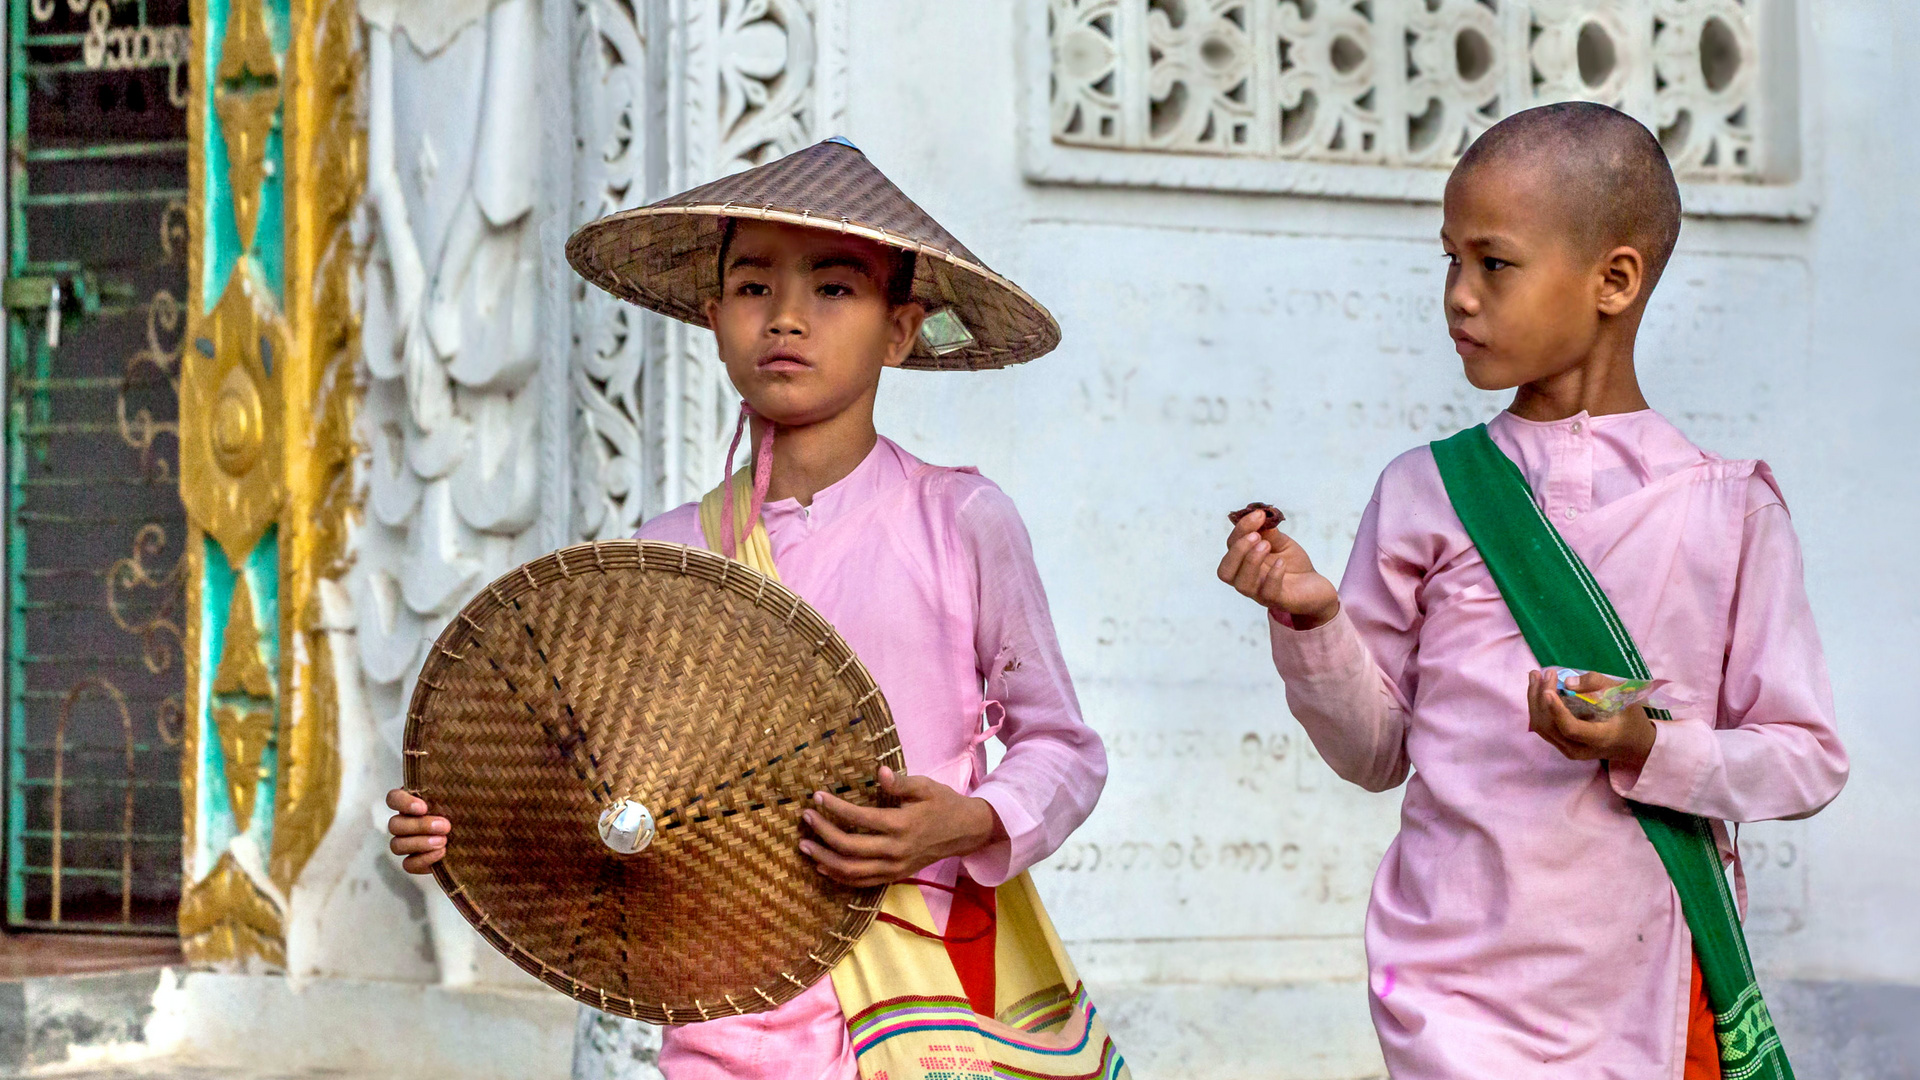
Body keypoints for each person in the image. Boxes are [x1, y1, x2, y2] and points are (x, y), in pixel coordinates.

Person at [385, 137, 1122, 1080]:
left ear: (901, 331)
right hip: (719, 1005)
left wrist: (970, 821)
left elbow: (1064, 749)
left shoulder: (963, 522)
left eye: (834, 289)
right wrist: (468, 826)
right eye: (752, 287)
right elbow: (601, 778)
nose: (785, 318)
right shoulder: (665, 554)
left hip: (920, 995)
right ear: (712, 314)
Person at [1217, 102, 1848, 1079]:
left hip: (1644, 990)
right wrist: (1313, 622)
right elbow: (1376, 751)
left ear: (1615, 279)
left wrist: (1648, 744)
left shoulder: (1727, 510)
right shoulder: (1425, 491)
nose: (1458, 297)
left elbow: (1805, 760)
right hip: (1449, 990)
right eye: (1449, 261)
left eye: (1493, 263)